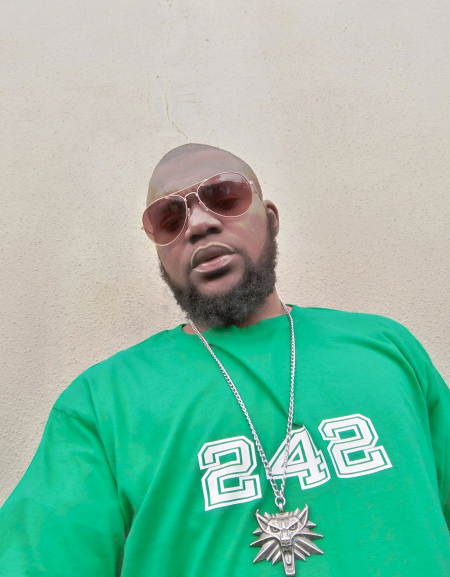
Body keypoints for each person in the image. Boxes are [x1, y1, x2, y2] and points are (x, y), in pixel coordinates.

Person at [0, 143, 449, 577]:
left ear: (270, 219)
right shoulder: (101, 402)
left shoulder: (386, 347)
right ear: (159, 252)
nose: (198, 224)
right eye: (169, 218)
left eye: (224, 196)